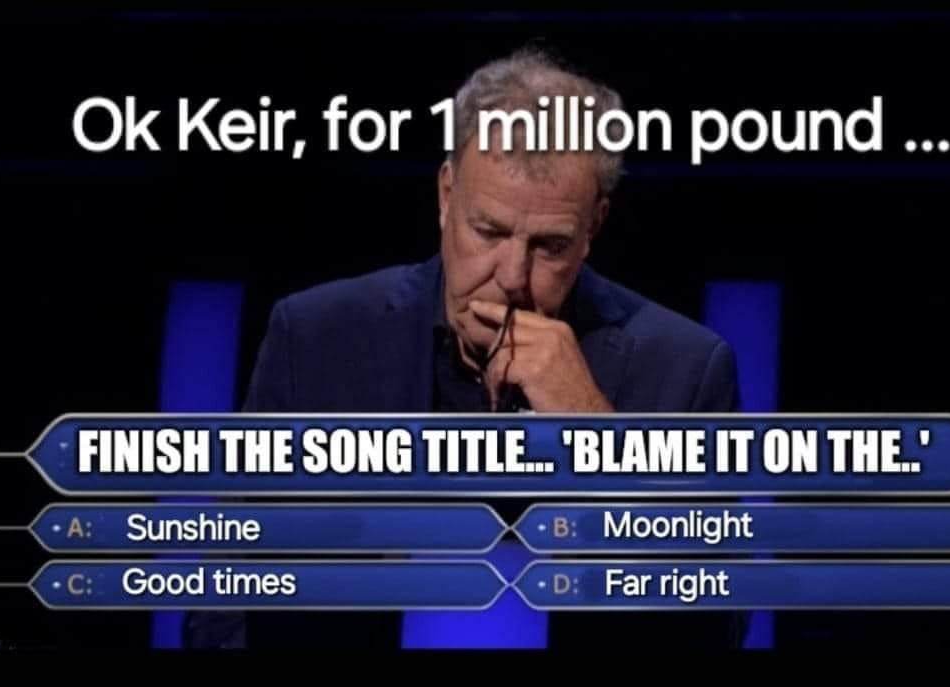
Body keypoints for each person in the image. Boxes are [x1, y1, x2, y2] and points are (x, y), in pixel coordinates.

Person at [185, 47, 743, 650]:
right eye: (489, 232)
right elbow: (224, 601)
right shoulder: (318, 337)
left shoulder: (684, 368)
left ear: (594, 228)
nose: (512, 277)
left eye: (550, 246)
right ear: (446, 195)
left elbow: (713, 628)